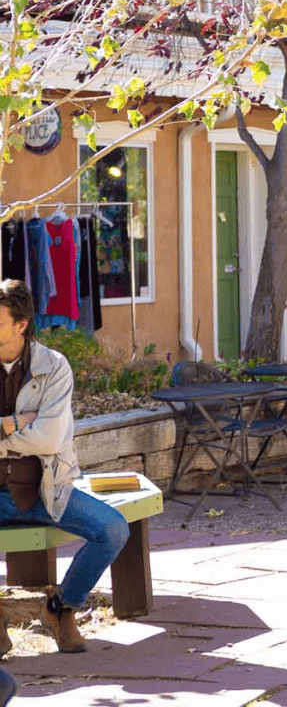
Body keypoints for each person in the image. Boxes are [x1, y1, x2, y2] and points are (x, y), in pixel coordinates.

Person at [0, 279, 130, 655]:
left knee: (112, 529)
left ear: (20, 324)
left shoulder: (54, 367)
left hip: (45, 490)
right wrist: (13, 423)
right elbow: (36, 433)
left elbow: (51, 439)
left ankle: (61, 608)